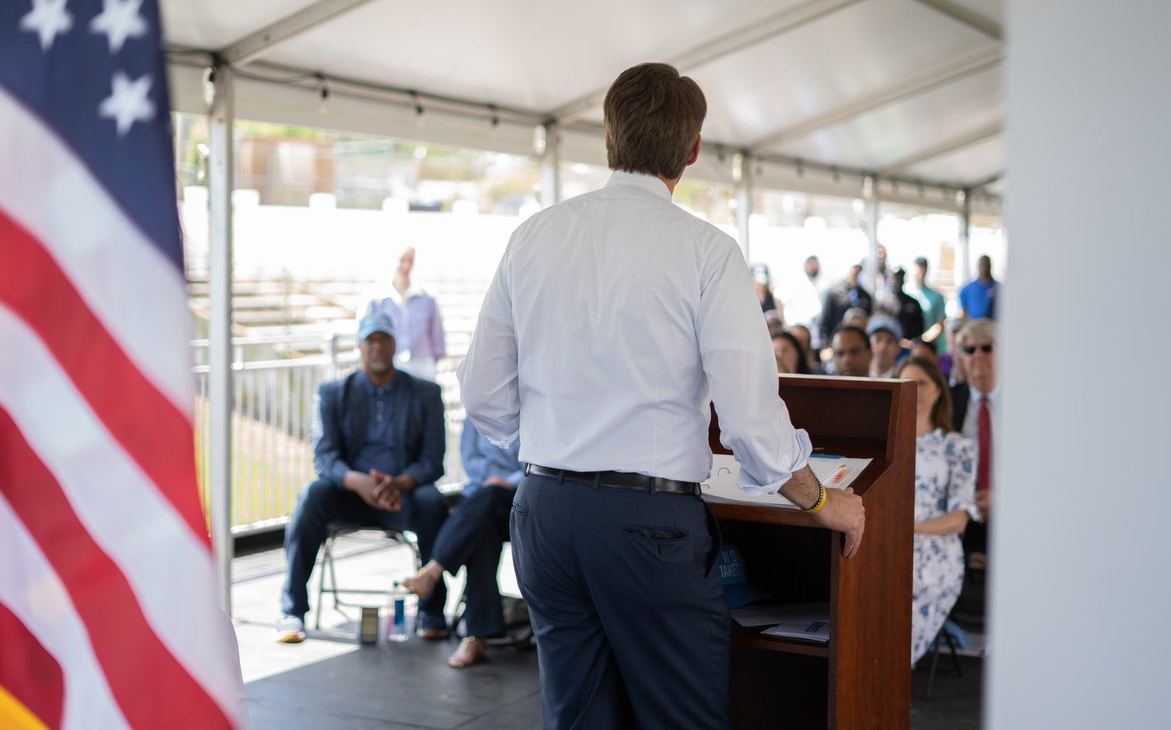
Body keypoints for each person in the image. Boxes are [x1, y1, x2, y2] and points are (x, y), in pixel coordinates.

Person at [457, 62, 865, 729]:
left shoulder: (532, 236)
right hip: (644, 526)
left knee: (578, 719)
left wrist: (554, 447)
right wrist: (820, 500)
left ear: (609, 137)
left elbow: (482, 395)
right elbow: (747, 416)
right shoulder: (706, 251)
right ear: (692, 150)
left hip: (543, 512)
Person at [276, 313, 449, 644]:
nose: (377, 347)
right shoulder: (333, 393)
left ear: (395, 344)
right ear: (359, 346)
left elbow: (432, 462)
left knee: (433, 501)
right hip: (350, 495)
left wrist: (400, 483)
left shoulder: (425, 394)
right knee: (313, 494)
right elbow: (324, 457)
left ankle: (432, 610)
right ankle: (292, 610)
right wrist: (357, 482)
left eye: (384, 339)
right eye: (370, 340)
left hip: (403, 496)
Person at [404, 420, 522, 668]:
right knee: (482, 531)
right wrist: (492, 479)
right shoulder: (476, 414)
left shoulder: (533, 409)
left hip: (519, 499)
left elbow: (536, 465)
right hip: (482, 498)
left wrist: (507, 481)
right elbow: (471, 460)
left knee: (487, 500)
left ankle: (433, 570)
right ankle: (476, 635)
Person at [896, 356, 980, 666]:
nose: (914, 391)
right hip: (882, 539)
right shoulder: (884, 445)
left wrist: (906, 530)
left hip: (933, 544)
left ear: (939, 392)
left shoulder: (957, 447)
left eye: (922, 383)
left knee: (910, 582)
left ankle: (893, 671)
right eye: (906, 384)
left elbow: (960, 519)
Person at [949, 318, 999, 561]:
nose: (978, 354)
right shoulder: (947, 402)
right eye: (969, 349)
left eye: (987, 348)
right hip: (958, 519)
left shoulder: (1027, 402)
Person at [358, 247, 446, 380]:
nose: (406, 265)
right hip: (391, 365)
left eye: (410, 261)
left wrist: (433, 360)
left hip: (423, 367)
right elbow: (363, 333)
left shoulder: (427, 298)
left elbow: (437, 336)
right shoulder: (376, 298)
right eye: (402, 260)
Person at [818, 262, 873, 349]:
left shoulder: (866, 296)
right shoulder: (834, 293)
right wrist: (825, 346)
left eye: (859, 268)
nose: (856, 271)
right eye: (854, 267)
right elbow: (824, 322)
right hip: (836, 344)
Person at [878, 267, 925, 342]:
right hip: (888, 343)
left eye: (901, 277)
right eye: (896, 277)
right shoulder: (883, 302)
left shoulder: (913, 302)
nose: (898, 280)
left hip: (908, 344)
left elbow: (920, 327)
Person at [912, 256, 948, 353]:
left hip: (931, 347)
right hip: (910, 347)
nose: (921, 272)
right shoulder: (906, 293)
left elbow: (940, 324)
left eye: (923, 268)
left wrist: (923, 340)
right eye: (918, 268)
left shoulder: (937, 296)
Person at [958, 254, 1000, 320]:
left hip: (992, 325)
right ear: (978, 266)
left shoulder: (998, 287)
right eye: (982, 264)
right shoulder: (967, 289)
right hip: (973, 325)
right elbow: (963, 311)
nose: (984, 267)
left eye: (987, 264)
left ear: (990, 266)